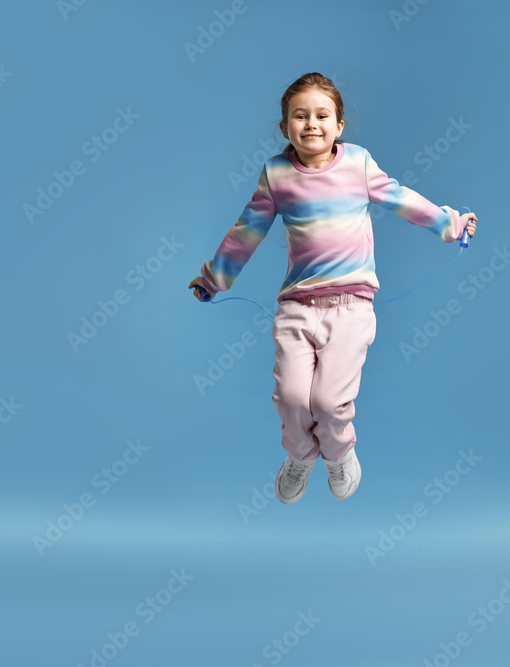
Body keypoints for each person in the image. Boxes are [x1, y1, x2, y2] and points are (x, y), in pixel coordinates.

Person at [189, 72, 477, 504]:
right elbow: (246, 231)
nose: (311, 124)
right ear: (286, 127)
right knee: (290, 398)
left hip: (351, 308)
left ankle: (340, 455)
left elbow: (403, 200)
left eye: (322, 115)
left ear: (339, 125)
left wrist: (451, 225)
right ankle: (300, 456)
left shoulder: (358, 164)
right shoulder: (277, 175)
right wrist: (214, 278)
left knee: (327, 403)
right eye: (299, 116)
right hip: (297, 310)